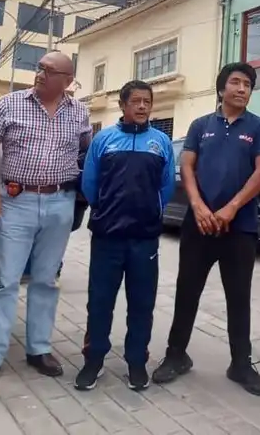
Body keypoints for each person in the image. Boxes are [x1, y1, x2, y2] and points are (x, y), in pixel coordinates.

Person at [0, 51, 91, 391]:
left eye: (49, 70)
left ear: (67, 81)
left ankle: (38, 349)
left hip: (59, 203)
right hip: (16, 201)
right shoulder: (11, 103)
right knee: (5, 280)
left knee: (45, 279)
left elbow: (86, 150)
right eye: (39, 67)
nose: (40, 73)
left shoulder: (80, 112)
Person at [151, 62, 260, 396]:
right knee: (187, 290)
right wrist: (199, 207)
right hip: (199, 225)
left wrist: (232, 208)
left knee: (239, 297)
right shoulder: (200, 125)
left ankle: (241, 364)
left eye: (247, 84)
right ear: (222, 89)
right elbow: (186, 165)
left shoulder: (259, 128)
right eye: (235, 82)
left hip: (241, 227)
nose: (242, 88)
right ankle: (176, 355)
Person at [75, 80, 174, 392]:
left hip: (144, 238)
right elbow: (89, 184)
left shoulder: (161, 142)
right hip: (107, 236)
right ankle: (93, 360)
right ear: (123, 105)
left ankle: (136, 362)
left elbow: (166, 187)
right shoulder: (104, 140)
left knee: (142, 303)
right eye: (136, 101)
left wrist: (148, 211)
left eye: (147, 101)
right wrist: (107, 212)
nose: (143, 107)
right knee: (100, 301)